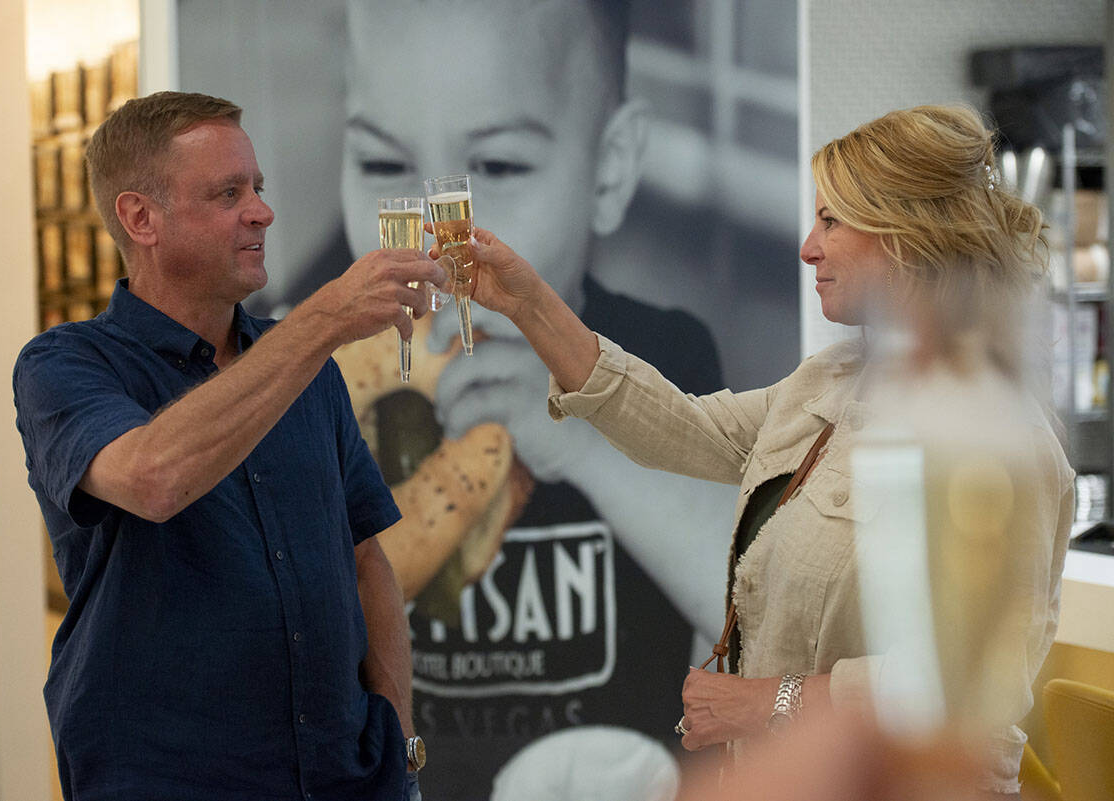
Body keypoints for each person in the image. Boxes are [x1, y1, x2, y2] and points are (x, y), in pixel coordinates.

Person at [445, 104, 1074, 798]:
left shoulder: (995, 433)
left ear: (905, 236)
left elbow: (971, 683)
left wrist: (772, 701)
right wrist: (529, 303)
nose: (808, 247)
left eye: (832, 221)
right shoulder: (828, 383)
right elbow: (680, 426)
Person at [311, 1, 744, 798]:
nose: (436, 241)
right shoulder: (313, 382)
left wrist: (587, 439)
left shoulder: (661, 360)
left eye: (500, 169)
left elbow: (755, 606)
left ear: (607, 171)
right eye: (380, 163)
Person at [12, 91, 446, 801]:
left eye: (258, 188)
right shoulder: (63, 365)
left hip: (348, 778)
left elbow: (366, 556)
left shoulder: (305, 361)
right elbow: (155, 476)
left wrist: (396, 739)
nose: (262, 211)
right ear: (140, 218)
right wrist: (326, 319)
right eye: (228, 192)